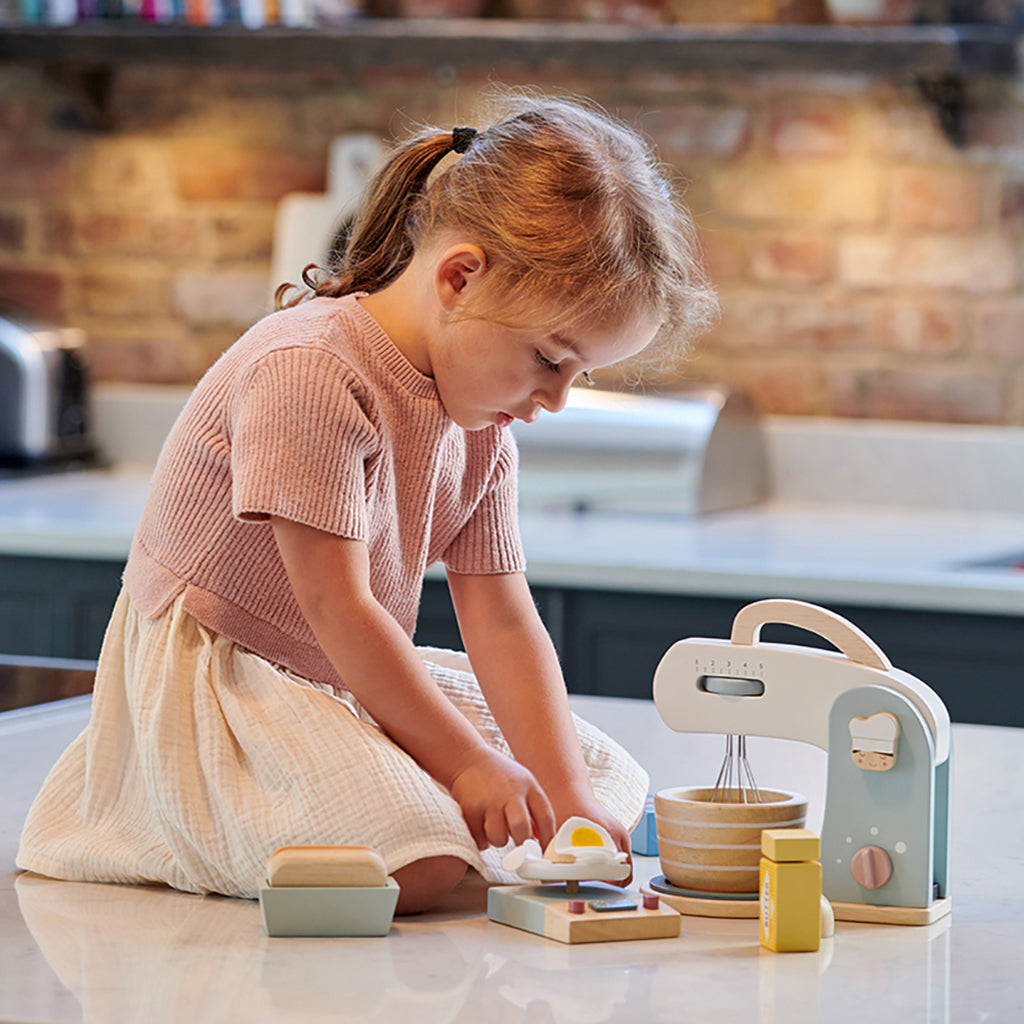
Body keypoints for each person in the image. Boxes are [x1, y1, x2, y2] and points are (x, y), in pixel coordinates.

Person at [17, 93, 716, 914]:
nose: (556, 399)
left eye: (580, 374)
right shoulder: (311, 371)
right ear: (461, 275)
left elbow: (500, 616)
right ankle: (166, 826)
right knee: (416, 863)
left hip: (333, 676)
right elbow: (337, 609)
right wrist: (466, 767)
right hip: (229, 680)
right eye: (549, 359)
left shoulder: (480, 418)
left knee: (603, 788)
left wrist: (564, 797)